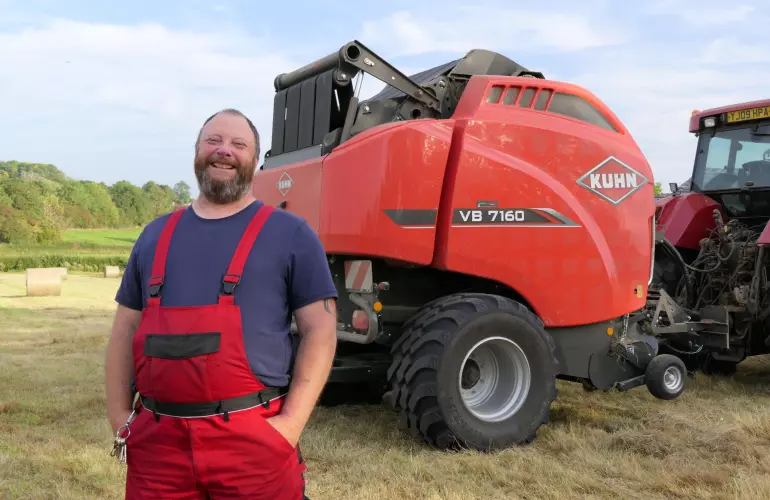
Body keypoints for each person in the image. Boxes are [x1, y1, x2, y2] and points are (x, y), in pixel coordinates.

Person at [104, 108, 338, 499]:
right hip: (158, 450)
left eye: (238, 144)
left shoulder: (291, 233)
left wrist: (289, 426)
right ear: (197, 151)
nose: (224, 150)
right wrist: (118, 419)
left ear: (254, 159)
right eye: (213, 140)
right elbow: (124, 330)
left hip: (253, 443)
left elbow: (321, 330)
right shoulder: (154, 235)